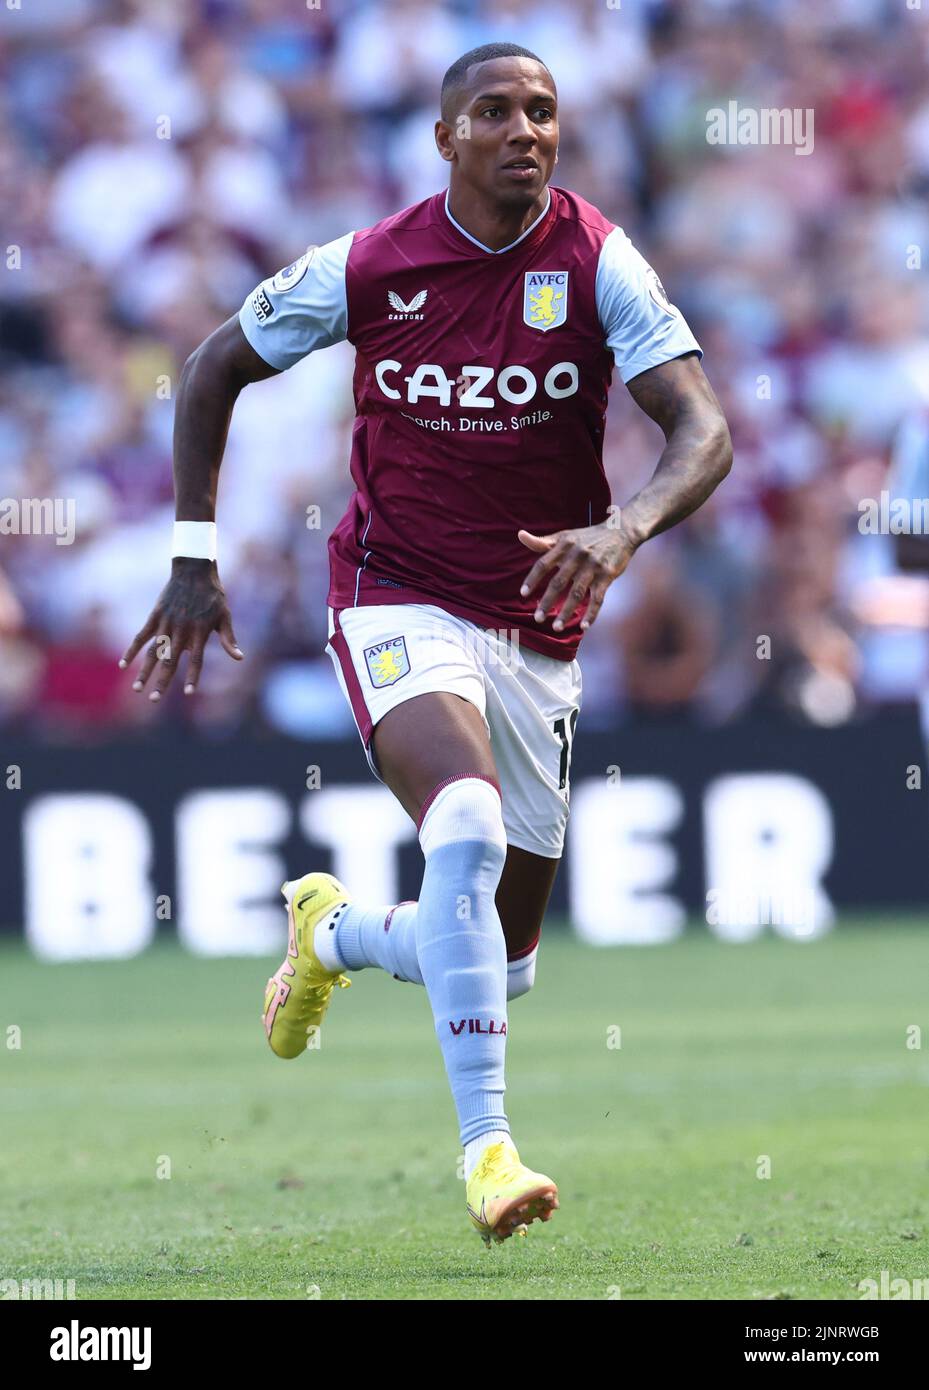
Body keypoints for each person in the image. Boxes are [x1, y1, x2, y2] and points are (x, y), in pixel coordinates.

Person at [120, 43, 732, 1245]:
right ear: (444, 137)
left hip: (539, 633)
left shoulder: (596, 259)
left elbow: (700, 429)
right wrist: (193, 555)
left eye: (542, 112)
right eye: (494, 112)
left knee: (498, 966)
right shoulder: (367, 264)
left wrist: (623, 528)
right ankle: (488, 1154)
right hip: (393, 591)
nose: (525, 131)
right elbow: (209, 368)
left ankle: (334, 933)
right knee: (456, 825)